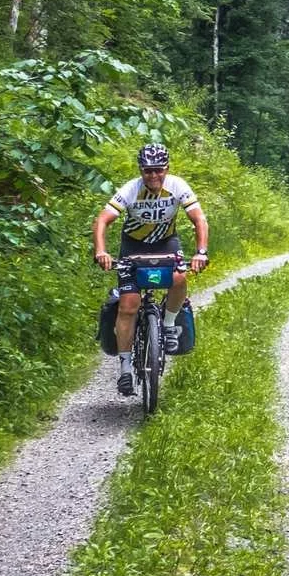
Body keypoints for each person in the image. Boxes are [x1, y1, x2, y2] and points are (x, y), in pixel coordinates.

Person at [92, 143, 209, 395]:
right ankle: (124, 369)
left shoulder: (177, 186)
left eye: (158, 170)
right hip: (132, 247)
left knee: (179, 277)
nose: (153, 176)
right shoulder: (131, 189)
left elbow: (199, 218)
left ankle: (167, 326)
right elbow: (103, 220)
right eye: (147, 171)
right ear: (141, 171)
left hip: (166, 243)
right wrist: (101, 251)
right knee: (128, 305)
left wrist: (201, 252)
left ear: (166, 169)